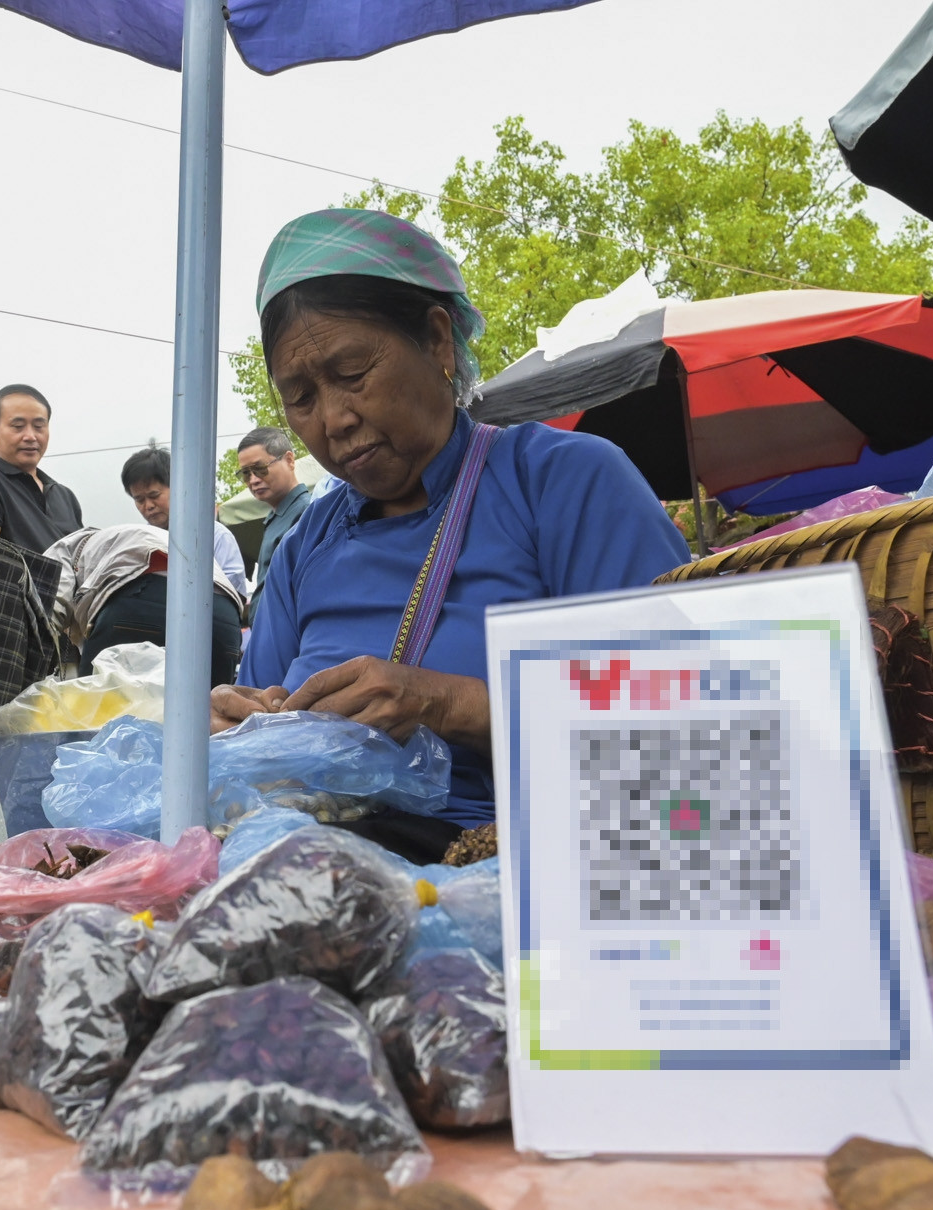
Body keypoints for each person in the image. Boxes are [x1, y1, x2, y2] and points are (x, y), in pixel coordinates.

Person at [212, 209, 689, 863]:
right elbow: (258, 730)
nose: (333, 418)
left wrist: (443, 702)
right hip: (317, 864)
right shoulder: (306, 543)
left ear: (437, 341)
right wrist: (235, 728)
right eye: (299, 396)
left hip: (531, 866)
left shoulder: (561, 482)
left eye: (352, 374)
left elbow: (680, 723)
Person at [45, 523, 246, 685]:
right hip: (224, 616)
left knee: (98, 718)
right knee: (208, 725)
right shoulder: (127, 536)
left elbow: (48, 613)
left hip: (143, 596)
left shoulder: (63, 549)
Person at [0, 384, 83, 552]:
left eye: (38, 426)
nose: (30, 436)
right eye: (18, 426)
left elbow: (82, 560)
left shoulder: (65, 496)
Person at [121, 443, 250, 596]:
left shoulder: (215, 536)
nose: (148, 506)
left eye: (154, 496)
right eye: (139, 500)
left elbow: (234, 594)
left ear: (178, 487)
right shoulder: (139, 544)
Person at [237, 426, 312, 613]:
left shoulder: (305, 512)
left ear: (289, 460)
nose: (253, 480)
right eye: (246, 473)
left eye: (260, 469)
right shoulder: (277, 517)